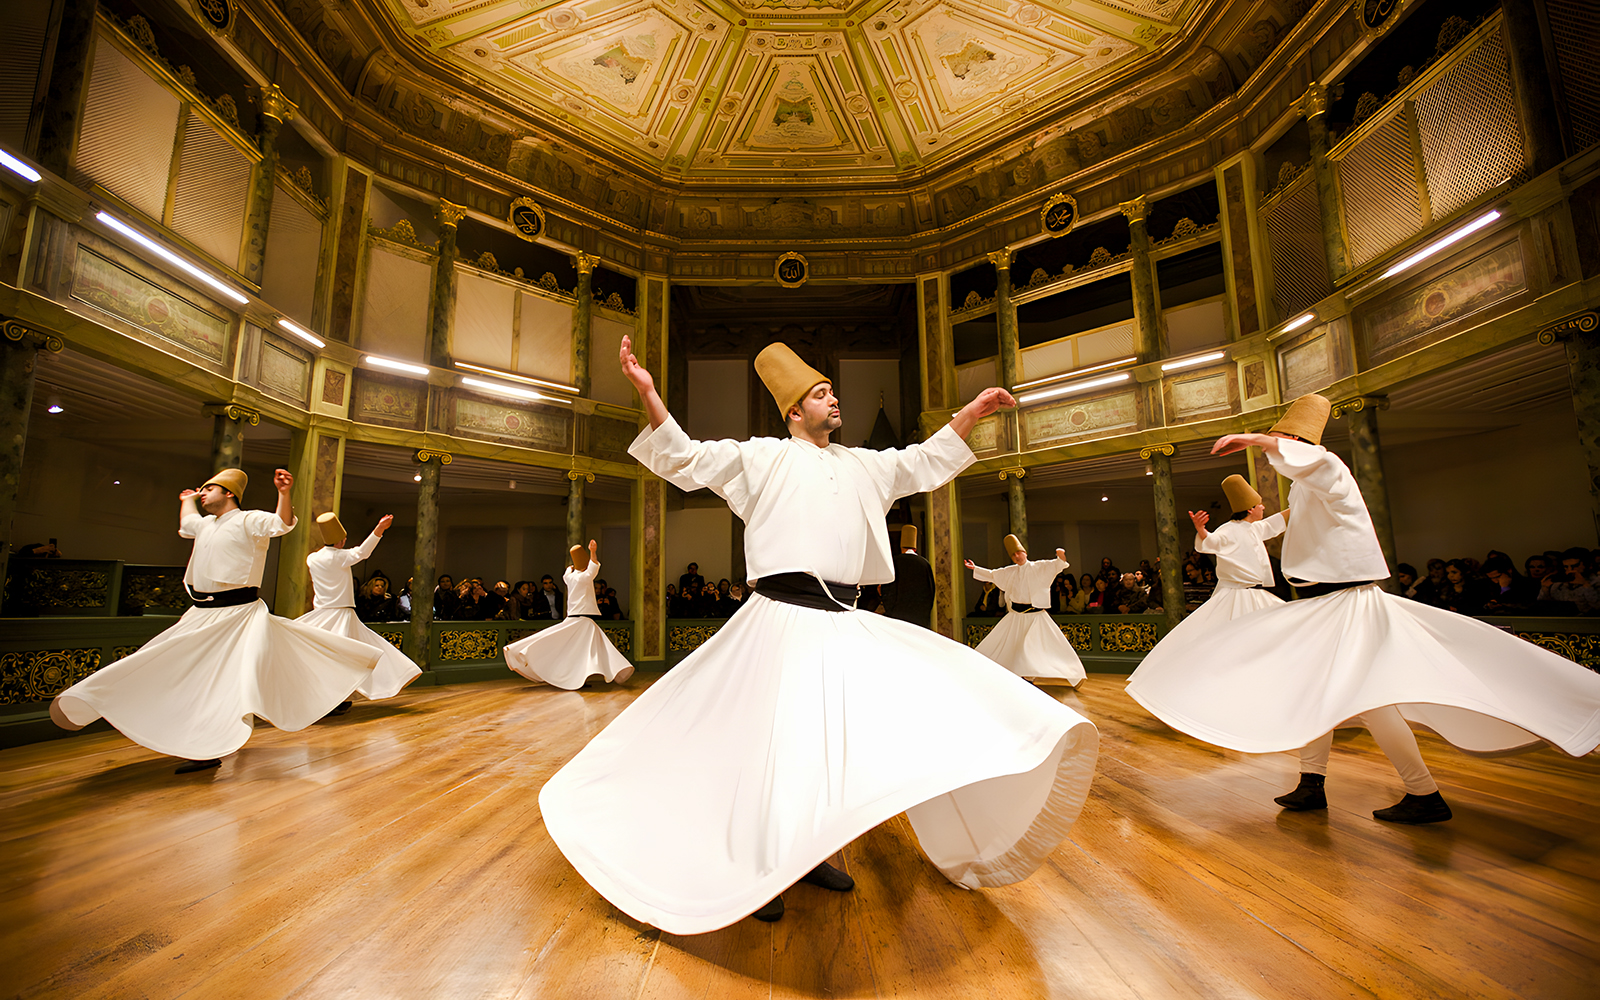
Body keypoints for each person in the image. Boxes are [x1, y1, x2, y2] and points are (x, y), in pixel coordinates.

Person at [538, 338, 1098, 933]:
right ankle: (757, 871)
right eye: (822, 393)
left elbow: (921, 461)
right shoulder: (763, 458)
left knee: (826, 745)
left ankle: (804, 857)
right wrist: (650, 393)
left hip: (844, 622)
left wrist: (970, 414)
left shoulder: (864, 465)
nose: (835, 400)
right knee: (769, 746)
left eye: (832, 391)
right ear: (794, 411)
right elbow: (686, 458)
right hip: (780, 616)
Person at [1127, 394, 1600, 824]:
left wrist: (1258, 439)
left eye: (1283, 441)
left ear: (1298, 443)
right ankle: (1314, 783)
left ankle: (1422, 792)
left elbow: (1318, 464)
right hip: (1329, 603)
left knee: (1369, 701)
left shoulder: (1331, 472)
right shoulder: (1305, 490)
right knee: (1322, 691)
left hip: (1348, 602)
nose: (1276, 449)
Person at [48, 469, 379, 773]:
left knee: (221, 680)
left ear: (230, 494)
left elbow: (282, 523)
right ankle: (100, 700)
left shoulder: (248, 520)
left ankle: (208, 745)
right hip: (200, 613)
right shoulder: (204, 525)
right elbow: (188, 521)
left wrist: (284, 492)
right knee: (158, 660)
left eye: (209, 488)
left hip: (238, 614)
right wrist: (186, 501)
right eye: (202, 489)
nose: (203, 493)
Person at [1128, 474, 1288, 701]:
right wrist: (1201, 530)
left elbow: (1276, 523)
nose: (1263, 507)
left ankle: (1258, 685)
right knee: (1225, 644)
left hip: (1254, 594)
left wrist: (1303, 502)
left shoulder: (1254, 528)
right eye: (1259, 505)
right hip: (1236, 595)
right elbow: (1211, 543)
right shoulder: (1229, 529)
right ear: (1251, 509)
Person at [297, 512, 422, 708]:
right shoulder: (339, 557)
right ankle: (337, 698)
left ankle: (336, 697)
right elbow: (363, 552)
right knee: (351, 656)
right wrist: (380, 528)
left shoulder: (312, 559)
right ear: (341, 540)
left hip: (321, 614)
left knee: (328, 656)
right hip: (341, 614)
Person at [504, 540, 634, 689]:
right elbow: (594, 565)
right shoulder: (584, 577)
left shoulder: (569, 577)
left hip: (574, 618)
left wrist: (571, 567)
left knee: (579, 648)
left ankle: (583, 674)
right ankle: (602, 671)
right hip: (582, 620)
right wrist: (592, 551)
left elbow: (571, 571)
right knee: (592, 646)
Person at [965, 535, 1084, 685]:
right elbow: (993, 574)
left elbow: (1056, 565)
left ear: (1025, 552)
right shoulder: (1010, 571)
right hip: (1016, 616)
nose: (1016, 556)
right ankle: (1014, 674)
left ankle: (1074, 675)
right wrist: (975, 568)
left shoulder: (1039, 567)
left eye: (1018, 553)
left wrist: (1060, 556)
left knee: (1052, 645)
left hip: (1036, 616)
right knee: (1000, 642)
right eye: (1013, 554)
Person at [880, 524, 936, 629]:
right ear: (915, 548)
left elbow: (887, 589)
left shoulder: (895, 562)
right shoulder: (925, 564)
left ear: (901, 546)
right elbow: (930, 593)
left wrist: (890, 611)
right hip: (919, 620)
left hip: (897, 619)